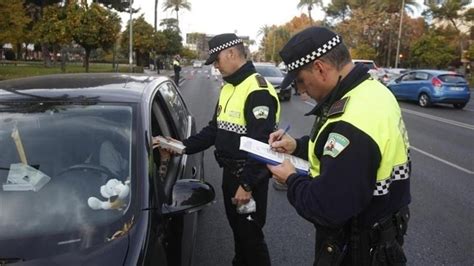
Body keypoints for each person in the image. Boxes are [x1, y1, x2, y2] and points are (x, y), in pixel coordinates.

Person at [266, 26, 411, 265]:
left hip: (359, 247)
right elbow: (342, 154)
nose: (301, 91)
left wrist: (291, 179)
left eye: (301, 81)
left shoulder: (353, 120)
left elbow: (327, 208)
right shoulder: (372, 91)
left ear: (320, 68)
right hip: (382, 232)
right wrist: (297, 146)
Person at [155, 33, 280, 266]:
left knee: (251, 239)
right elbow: (215, 130)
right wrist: (180, 146)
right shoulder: (229, 88)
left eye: (217, 59)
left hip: (247, 178)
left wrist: (247, 184)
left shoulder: (257, 90)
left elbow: (263, 145)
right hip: (230, 174)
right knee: (239, 232)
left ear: (231, 53)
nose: (215, 65)